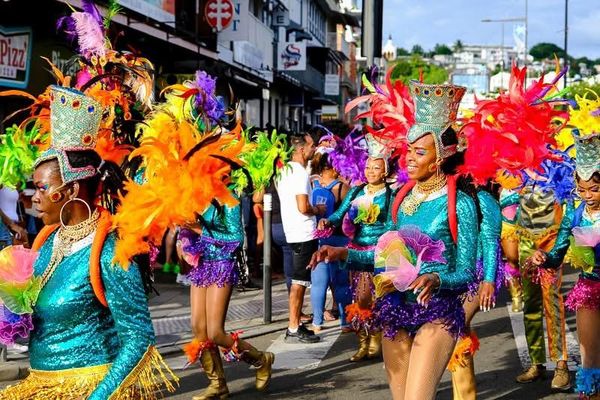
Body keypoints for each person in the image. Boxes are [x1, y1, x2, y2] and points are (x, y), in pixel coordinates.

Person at [0, 86, 176, 399]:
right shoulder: (45, 243)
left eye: (41, 188)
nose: (34, 197)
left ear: (70, 191)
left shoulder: (109, 250)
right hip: (41, 386)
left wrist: (98, 397)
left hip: (91, 389)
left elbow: (138, 337)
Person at [313, 81, 479, 399]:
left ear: (440, 157)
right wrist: (342, 253)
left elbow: (466, 273)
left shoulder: (460, 202)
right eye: (408, 151)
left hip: (438, 311)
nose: (409, 159)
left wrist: (436, 278)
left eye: (419, 152)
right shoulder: (402, 197)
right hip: (395, 307)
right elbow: (383, 255)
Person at [528, 99, 600, 399]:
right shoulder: (575, 211)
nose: (587, 195)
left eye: (594, 189)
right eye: (581, 189)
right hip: (590, 287)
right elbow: (558, 250)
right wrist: (545, 258)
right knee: (589, 358)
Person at [179, 198, 274, 399]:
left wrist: (199, 229)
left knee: (215, 333)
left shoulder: (228, 198)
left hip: (222, 264)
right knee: (199, 329)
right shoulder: (195, 193)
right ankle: (217, 384)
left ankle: (261, 359)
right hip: (202, 264)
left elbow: (236, 239)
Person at [318, 134, 393, 361]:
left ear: (385, 172)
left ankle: (377, 339)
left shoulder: (391, 195)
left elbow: (392, 224)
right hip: (358, 251)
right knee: (360, 299)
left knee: (380, 298)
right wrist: (328, 221)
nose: (370, 171)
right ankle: (363, 341)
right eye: (368, 167)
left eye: (376, 168)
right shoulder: (356, 191)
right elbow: (339, 215)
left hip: (381, 253)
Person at [513, 183, 571, 389]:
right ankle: (536, 363)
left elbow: (567, 198)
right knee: (530, 303)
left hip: (551, 239)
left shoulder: (556, 160)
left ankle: (561, 365)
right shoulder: (518, 166)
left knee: (552, 301)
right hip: (526, 240)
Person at [276, 132, 321, 343]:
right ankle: (293, 326)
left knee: (297, 280)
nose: (314, 149)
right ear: (302, 149)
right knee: (299, 282)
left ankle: (294, 324)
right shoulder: (300, 173)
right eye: (312, 145)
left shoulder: (283, 171)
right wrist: (318, 208)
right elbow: (303, 207)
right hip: (303, 232)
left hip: (291, 231)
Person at [310, 150, 351, 333]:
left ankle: (317, 322)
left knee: (319, 282)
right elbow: (351, 214)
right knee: (341, 282)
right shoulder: (342, 188)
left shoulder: (313, 183)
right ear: (335, 167)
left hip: (319, 239)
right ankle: (345, 323)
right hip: (339, 239)